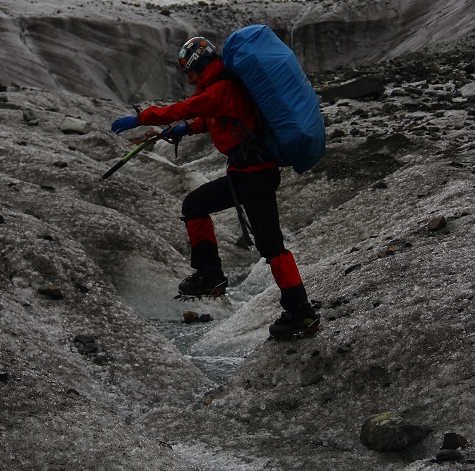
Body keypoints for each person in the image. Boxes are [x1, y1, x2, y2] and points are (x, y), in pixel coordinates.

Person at [111, 36, 320, 340]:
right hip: (247, 174)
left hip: (254, 177)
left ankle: (299, 310)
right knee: (195, 205)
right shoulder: (223, 88)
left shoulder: (222, 88)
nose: (190, 79)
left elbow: (189, 108)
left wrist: (141, 118)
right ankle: (211, 275)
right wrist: (185, 129)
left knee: (272, 247)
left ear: (198, 65)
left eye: (190, 73)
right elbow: (212, 118)